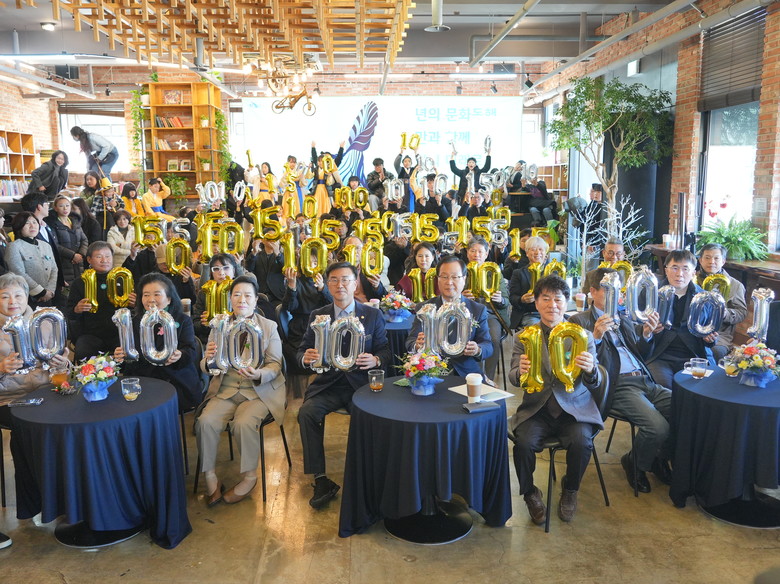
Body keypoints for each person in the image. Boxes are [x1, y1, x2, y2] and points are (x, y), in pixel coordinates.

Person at [509, 275, 602, 525]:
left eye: (558, 299)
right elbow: (513, 378)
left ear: (566, 302)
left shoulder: (582, 336)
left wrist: (591, 369)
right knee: (523, 444)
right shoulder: (523, 337)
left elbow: (595, 382)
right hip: (537, 410)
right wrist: (521, 371)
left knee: (582, 442)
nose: (552, 305)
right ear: (536, 303)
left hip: (574, 410)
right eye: (546, 299)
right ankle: (530, 493)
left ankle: (570, 490)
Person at [297, 262, 391, 509]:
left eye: (345, 280)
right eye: (334, 280)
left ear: (355, 283)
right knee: (306, 413)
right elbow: (301, 351)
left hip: (360, 386)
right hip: (328, 385)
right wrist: (305, 357)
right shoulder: (318, 316)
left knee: (369, 418)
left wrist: (376, 359)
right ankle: (320, 478)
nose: (340, 285)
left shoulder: (372, 315)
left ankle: (367, 474)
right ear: (328, 284)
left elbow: (385, 350)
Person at [570, 267, 673, 493]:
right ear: (593, 292)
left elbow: (641, 353)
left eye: (619, 291)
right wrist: (595, 338)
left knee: (684, 409)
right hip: (619, 385)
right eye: (610, 290)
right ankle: (635, 463)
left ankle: (657, 457)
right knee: (657, 428)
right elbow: (579, 365)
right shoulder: (579, 321)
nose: (617, 296)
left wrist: (646, 333)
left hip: (645, 379)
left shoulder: (623, 316)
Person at [195, 275, 286, 506]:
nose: (242, 300)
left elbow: (275, 365)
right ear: (230, 299)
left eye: (247, 295)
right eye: (236, 295)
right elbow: (206, 366)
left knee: (243, 423)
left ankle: (250, 477)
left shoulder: (269, 327)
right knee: (205, 421)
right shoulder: (219, 325)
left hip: (258, 391)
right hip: (225, 390)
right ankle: (210, 476)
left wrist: (259, 374)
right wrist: (209, 360)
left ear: (255, 300)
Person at [0, 272, 71, 551]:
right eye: (5, 296)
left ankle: (69, 499)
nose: (12, 301)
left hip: (45, 392)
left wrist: (62, 363)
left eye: (18, 295)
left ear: (26, 297)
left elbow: (62, 367)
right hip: (9, 400)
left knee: (72, 423)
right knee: (26, 429)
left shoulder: (43, 322)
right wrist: (2, 368)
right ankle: (36, 502)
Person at [113, 273, 202, 412]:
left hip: (174, 379)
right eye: (146, 295)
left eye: (157, 294)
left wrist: (180, 355)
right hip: (143, 379)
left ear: (169, 299)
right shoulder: (134, 322)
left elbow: (190, 351)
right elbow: (129, 360)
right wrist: (121, 357)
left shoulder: (182, 320)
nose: (151, 299)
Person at [406, 255, 493, 376]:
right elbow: (410, 341)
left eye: (455, 277)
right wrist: (417, 345)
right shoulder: (425, 308)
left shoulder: (477, 309)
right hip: (431, 371)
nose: (449, 282)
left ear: (464, 279)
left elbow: (488, 345)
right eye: (444, 277)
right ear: (438, 279)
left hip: (465, 372)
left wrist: (477, 349)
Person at [644, 249, 717, 389]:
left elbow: (710, 335)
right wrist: (647, 331)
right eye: (674, 268)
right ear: (666, 270)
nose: (679, 274)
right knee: (665, 388)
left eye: (685, 269)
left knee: (698, 389)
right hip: (659, 355)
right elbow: (636, 330)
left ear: (693, 272)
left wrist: (709, 339)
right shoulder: (651, 294)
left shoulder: (705, 298)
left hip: (693, 356)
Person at [67, 242, 124, 361]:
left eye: (108, 256)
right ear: (89, 259)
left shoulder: (122, 279)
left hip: (118, 333)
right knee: (82, 352)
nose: (104, 260)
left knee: (128, 352)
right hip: (90, 334)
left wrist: (133, 304)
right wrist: (77, 309)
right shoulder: (80, 282)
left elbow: (133, 311)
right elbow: (70, 313)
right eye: (99, 257)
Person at [463, 238, 510, 382]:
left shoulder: (494, 272)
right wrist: (462, 296)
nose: (476, 255)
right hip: (466, 315)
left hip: (490, 314)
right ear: (467, 253)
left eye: (480, 251)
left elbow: (506, 301)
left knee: (493, 339)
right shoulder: (462, 271)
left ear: (486, 253)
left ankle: (488, 379)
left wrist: (500, 299)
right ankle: (470, 376)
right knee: (464, 339)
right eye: (473, 251)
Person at [696, 243, 747, 359]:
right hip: (691, 329)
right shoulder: (690, 279)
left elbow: (741, 313)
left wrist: (724, 313)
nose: (711, 262)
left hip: (719, 334)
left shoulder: (735, 285)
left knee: (714, 352)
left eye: (716, 258)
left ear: (723, 261)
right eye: (707, 258)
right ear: (700, 260)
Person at [5, 212, 57, 308]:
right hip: (27, 298)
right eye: (27, 223)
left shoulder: (46, 245)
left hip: (48, 296)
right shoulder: (14, 246)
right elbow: (18, 272)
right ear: (19, 226)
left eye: (34, 222)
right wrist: (41, 292)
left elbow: (54, 269)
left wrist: (50, 291)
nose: (32, 226)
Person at [21, 192, 64, 301]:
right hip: (37, 290)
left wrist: (58, 280)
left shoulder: (45, 225)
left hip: (53, 284)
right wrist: (41, 291)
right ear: (39, 207)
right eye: (47, 204)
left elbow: (54, 254)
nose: (48, 207)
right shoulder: (27, 232)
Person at [194, 254, 241, 344]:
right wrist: (203, 324)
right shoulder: (204, 292)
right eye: (216, 269)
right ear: (211, 273)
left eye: (226, 268)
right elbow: (195, 324)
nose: (221, 272)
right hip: (211, 341)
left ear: (234, 271)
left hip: (237, 339)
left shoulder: (242, 292)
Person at [44, 194, 88, 291]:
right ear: (55, 208)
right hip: (64, 262)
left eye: (67, 205)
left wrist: (81, 254)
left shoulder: (75, 222)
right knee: (67, 291)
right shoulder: (52, 224)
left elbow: (84, 240)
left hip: (79, 262)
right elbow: (54, 244)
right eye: (61, 206)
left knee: (80, 288)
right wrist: (73, 255)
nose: (65, 208)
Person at [509, 236, 550, 329]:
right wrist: (522, 299)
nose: (537, 252)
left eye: (541, 249)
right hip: (529, 314)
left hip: (551, 312)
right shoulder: (518, 273)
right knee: (538, 329)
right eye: (533, 249)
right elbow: (512, 298)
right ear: (527, 253)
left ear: (545, 253)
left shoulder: (552, 272)